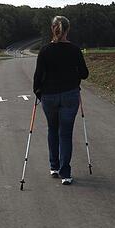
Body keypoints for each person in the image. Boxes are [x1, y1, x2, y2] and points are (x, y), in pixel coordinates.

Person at [33, 16, 89, 185]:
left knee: (52, 129)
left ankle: (54, 166)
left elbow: (37, 77)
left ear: (53, 29)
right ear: (67, 30)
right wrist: (72, 74)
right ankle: (65, 173)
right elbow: (84, 73)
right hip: (70, 95)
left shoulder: (44, 51)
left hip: (49, 97)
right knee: (65, 133)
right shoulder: (74, 50)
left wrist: (38, 93)